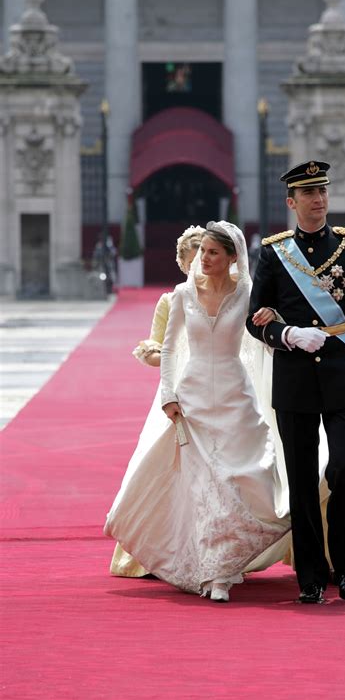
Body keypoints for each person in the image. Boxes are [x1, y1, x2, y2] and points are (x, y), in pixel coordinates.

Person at [104, 221, 291, 602]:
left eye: (212, 253)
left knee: (243, 478)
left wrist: (279, 323)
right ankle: (214, 574)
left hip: (235, 394)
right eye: (201, 251)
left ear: (232, 258)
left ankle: (225, 561)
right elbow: (170, 348)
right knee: (203, 485)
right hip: (192, 397)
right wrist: (168, 395)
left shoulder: (248, 293)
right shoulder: (182, 293)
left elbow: (264, 340)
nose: (202, 259)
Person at [247, 160, 345, 603]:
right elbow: (256, 319)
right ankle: (310, 575)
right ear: (292, 202)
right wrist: (285, 334)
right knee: (302, 479)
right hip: (295, 379)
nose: (319, 200)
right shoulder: (273, 252)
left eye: (323, 191)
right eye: (309, 193)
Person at [109, 225, 205, 577]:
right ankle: (157, 550)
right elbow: (153, 349)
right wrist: (171, 356)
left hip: (216, 392)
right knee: (165, 472)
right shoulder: (170, 300)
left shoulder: (230, 297)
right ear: (181, 263)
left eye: (206, 259)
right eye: (192, 261)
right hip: (178, 394)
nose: (199, 268)